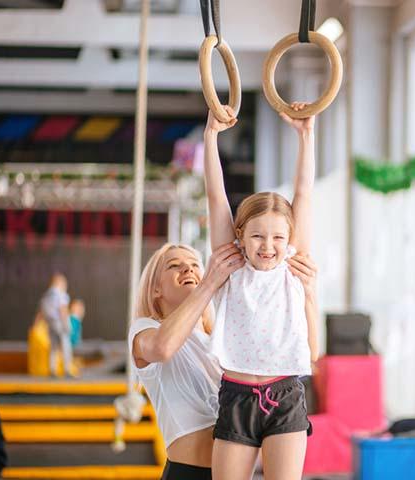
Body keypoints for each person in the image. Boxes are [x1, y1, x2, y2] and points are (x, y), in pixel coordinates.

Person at [129, 243, 320, 480]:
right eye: (174, 266)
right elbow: (162, 347)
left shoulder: (222, 341)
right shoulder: (145, 330)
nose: (188, 270)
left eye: (194, 265)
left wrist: (308, 293)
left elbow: (307, 354)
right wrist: (209, 282)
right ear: (156, 289)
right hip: (188, 473)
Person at [204, 103, 319, 480]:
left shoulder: (291, 267)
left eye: (277, 237)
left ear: (289, 240)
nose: (267, 246)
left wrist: (306, 135)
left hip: (284, 395)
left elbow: (304, 192)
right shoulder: (232, 266)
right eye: (256, 236)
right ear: (240, 236)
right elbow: (217, 199)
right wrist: (211, 136)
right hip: (236, 395)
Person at [39, 273, 73, 377]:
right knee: (66, 345)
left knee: (53, 347)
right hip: (59, 322)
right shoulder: (61, 294)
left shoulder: (47, 294)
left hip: (50, 323)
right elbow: (63, 309)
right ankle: (67, 369)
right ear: (59, 282)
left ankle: (52, 369)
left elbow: (41, 310)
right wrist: (67, 324)